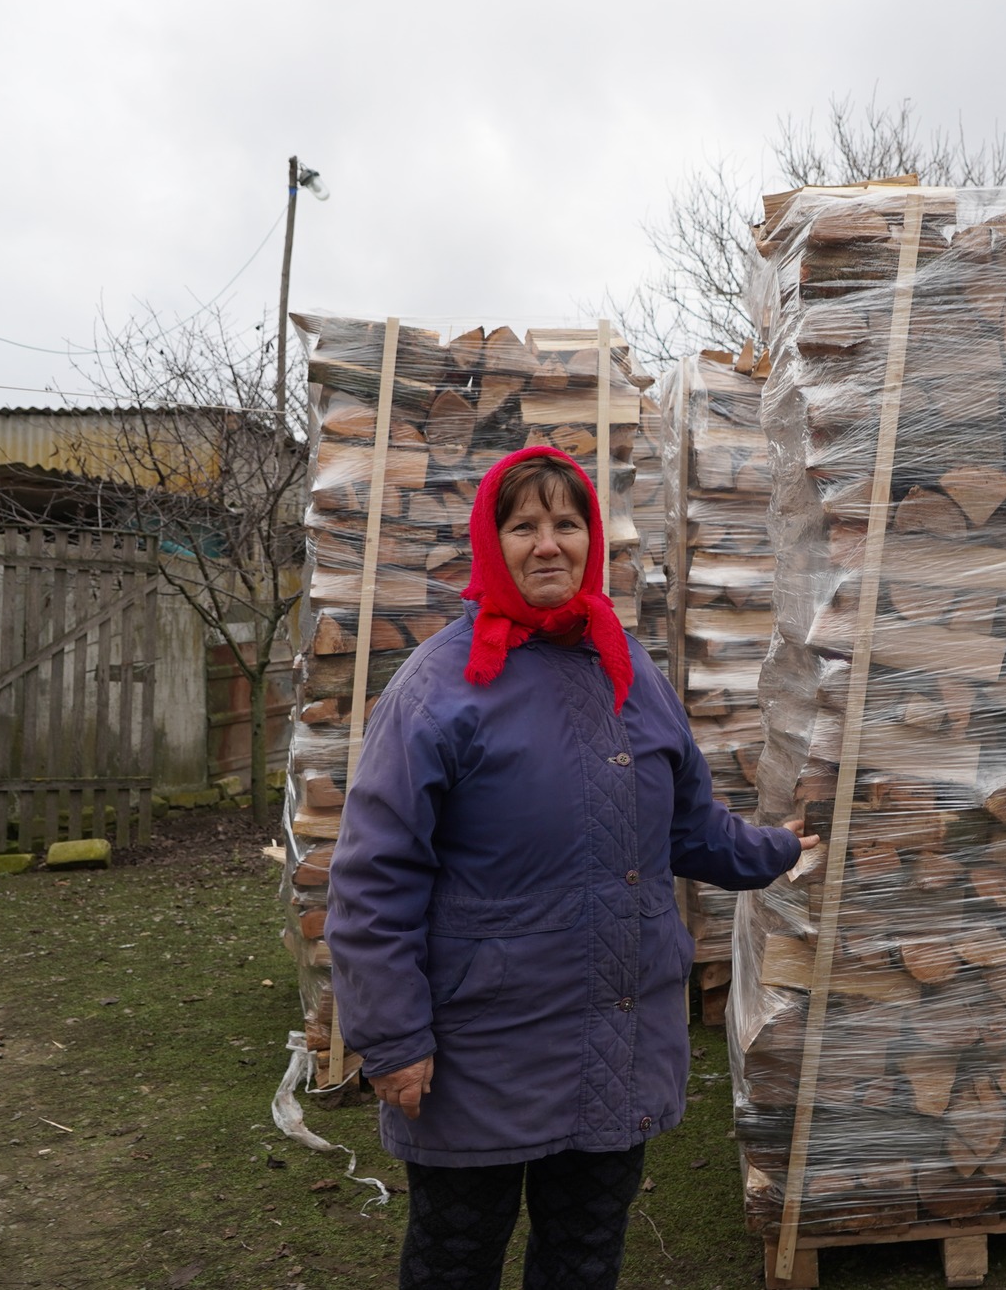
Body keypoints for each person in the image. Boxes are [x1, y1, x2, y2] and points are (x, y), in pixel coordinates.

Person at [326, 446, 813, 1290]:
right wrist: (394, 1037)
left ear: (592, 540)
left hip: (613, 1044)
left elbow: (691, 827)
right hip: (479, 1052)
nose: (547, 544)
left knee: (584, 1260)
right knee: (453, 1261)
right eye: (523, 526)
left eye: (566, 523)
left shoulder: (631, 675)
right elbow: (375, 876)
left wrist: (779, 848)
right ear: (492, 541)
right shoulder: (436, 689)